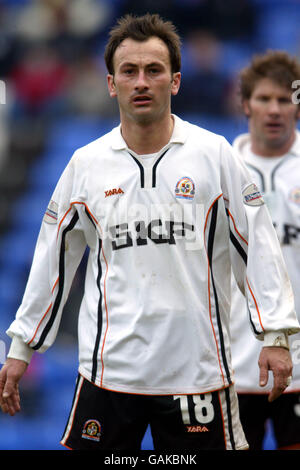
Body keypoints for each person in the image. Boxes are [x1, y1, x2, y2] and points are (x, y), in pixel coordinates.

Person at [0, 14, 299, 451]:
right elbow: (52, 261)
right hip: (109, 373)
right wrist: (21, 347)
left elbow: (258, 247)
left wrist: (275, 335)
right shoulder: (86, 165)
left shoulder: (213, 155)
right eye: (129, 71)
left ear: (175, 81)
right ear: (110, 83)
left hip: (198, 375)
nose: (141, 82)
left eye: (154, 70)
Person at [230, 50, 300, 450]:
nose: (274, 109)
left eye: (284, 99)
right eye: (263, 99)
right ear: (245, 104)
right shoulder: (219, 168)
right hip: (233, 366)